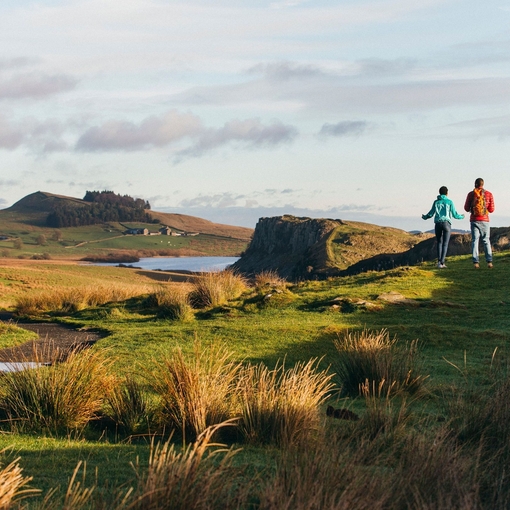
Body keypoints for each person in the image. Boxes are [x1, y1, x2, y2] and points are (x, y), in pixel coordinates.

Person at [422, 186, 464, 268]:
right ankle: (442, 262)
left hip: (438, 223)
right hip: (446, 223)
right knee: (445, 243)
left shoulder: (436, 202)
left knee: (439, 242)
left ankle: (438, 262)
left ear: (439, 192)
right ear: (447, 193)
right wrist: (462, 216)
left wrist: (425, 217)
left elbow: (431, 213)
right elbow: (455, 215)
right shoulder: (449, 202)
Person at [464, 178, 495, 269]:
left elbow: (466, 208)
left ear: (475, 184)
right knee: (486, 240)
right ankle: (489, 262)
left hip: (474, 220)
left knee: (475, 241)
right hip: (485, 220)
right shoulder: (489, 194)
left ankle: (476, 263)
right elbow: (491, 209)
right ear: (483, 184)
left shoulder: (471, 194)